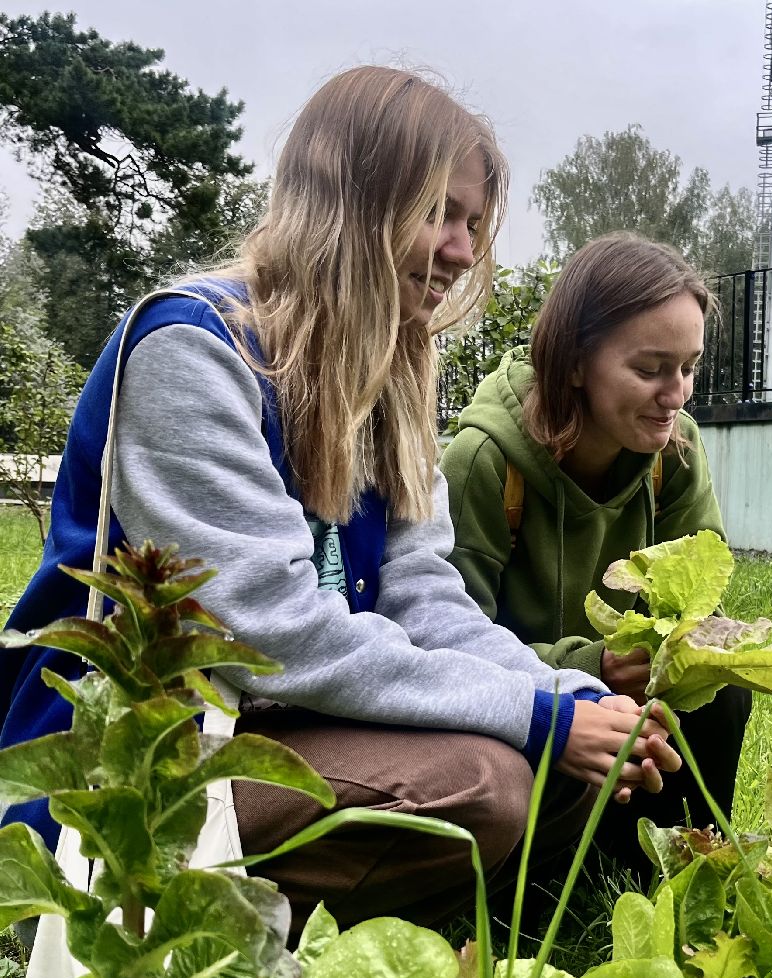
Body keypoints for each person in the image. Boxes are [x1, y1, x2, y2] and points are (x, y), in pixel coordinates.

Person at [0, 67, 681, 932]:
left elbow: (427, 600)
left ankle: (376, 923)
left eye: (473, 223)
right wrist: (534, 717)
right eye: (439, 212)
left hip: (279, 728)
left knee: (570, 764)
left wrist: (565, 700)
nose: (464, 251)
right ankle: (149, 923)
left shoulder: (383, 378)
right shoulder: (193, 349)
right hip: (139, 761)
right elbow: (263, 631)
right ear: (353, 196)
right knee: (487, 783)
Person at [440, 232, 751, 883]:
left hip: (632, 711)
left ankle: (682, 870)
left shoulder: (678, 453)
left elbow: (700, 603)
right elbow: (448, 645)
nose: (677, 394)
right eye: (649, 369)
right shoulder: (485, 464)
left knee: (719, 692)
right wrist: (592, 666)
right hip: (524, 708)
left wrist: (675, 657)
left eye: (688, 367)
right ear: (574, 363)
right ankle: (534, 865)